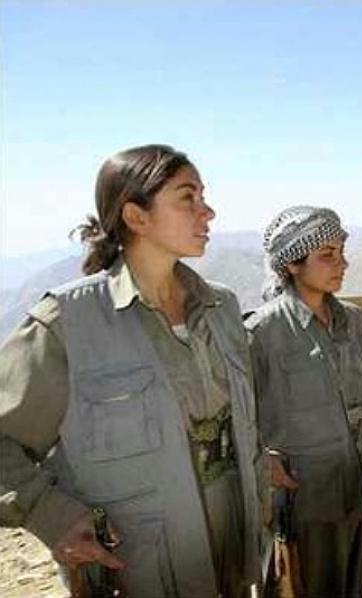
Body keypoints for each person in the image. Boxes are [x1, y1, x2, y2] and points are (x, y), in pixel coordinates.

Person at [0, 144, 263, 597]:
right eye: (188, 197)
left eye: (203, 196)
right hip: (139, 569)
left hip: (232, 559)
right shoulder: (66, 324)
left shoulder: (221, 307)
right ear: (136, 216)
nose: (208, 211)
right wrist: (51, 515)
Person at [245, 206, 362, 598]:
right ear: (292, 264)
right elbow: (240, 413)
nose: (342, 264)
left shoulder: (352, 321)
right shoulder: (261, 332)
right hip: (302, 498)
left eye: (341, 253)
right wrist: (262, 460)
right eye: (327, 255)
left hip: (355, 487)